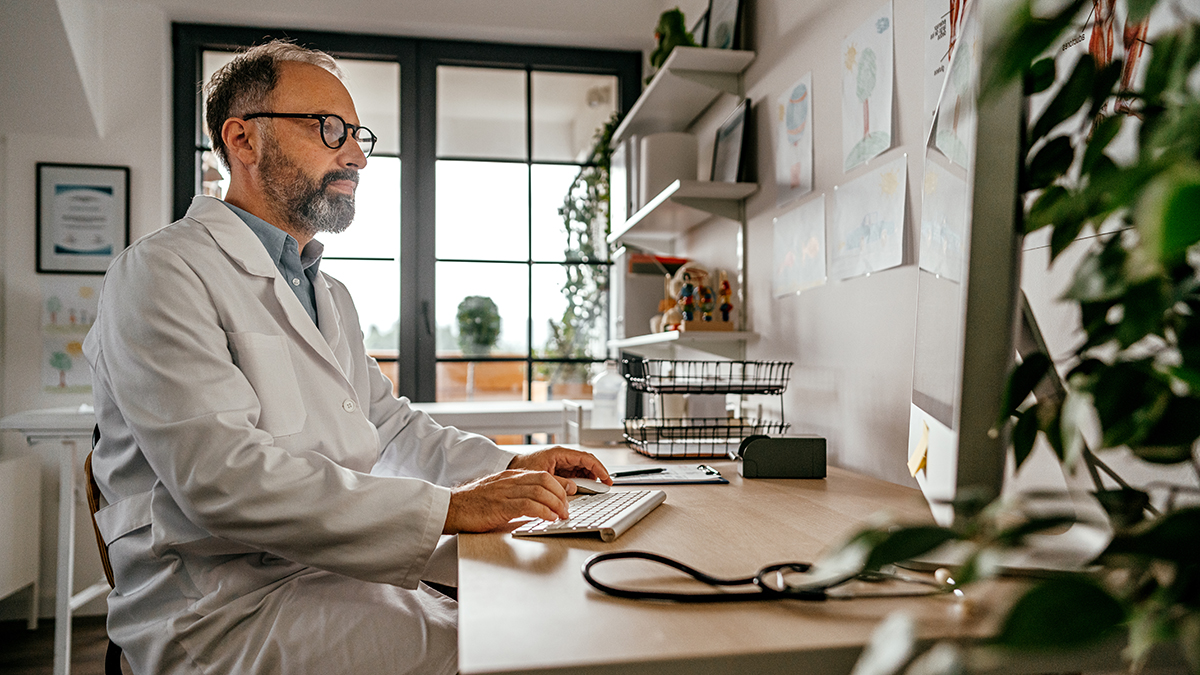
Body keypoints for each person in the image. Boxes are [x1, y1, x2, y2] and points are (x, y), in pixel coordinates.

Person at [83, 40, 611, 675]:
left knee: (549, 609)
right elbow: (223, 480)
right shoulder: (160, 273)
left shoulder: (327, 292)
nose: (357, 154)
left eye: (358, 134)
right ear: (242, 139)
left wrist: (514, 467)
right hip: (220, 609)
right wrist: (451, 507)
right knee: (515, 653)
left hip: (327, 571)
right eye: (328, 129)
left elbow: (387, 427)